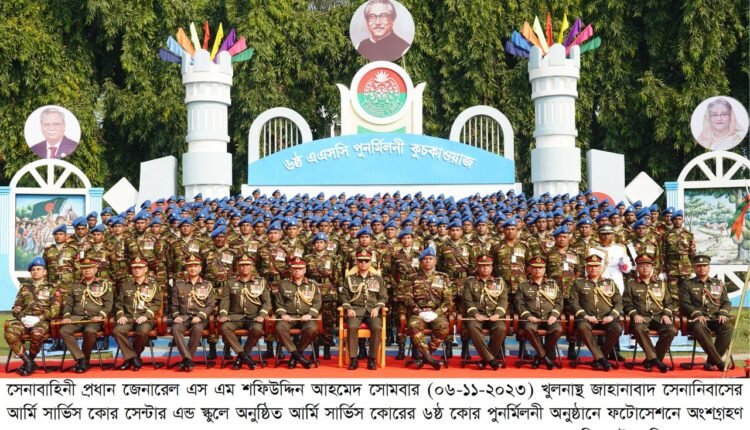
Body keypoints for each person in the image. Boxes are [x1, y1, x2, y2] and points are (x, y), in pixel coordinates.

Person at [5, 257, 61, 376]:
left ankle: (29, 361)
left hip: (42, 321)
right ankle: (29, 362)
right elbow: (16, 307)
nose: (35, 271)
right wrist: (22, 317)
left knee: (36, 333)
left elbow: (55, 310)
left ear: (44, 272)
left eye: (38, 269)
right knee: (10, 332)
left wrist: (39, 318)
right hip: (25, 321)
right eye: (33, 270)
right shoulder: (24, 288)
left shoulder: (52, 288)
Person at [678, 255, 734, 371]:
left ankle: (710, 362)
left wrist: (723, 313)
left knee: (728, 327)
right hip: (697, 320)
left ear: (709, 268)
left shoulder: (718, 283)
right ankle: (719, 362)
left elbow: (726, 302)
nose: (702, 268)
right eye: (699, 266)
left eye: (704, 265)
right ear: (694, 268)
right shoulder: (687, 284)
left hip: (715, 318)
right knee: (699, 327)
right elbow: (684, 304)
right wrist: (697, 314)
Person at [59, 257, 114, 373]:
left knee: (90, 331)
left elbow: (108, 304)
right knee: (64, 331)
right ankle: (82, 359)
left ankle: (84, 360)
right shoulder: (75, 285)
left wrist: (101, 315)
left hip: (95, 319)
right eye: (84, 268)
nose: (87, 270)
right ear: (81, 270)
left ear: (95, 269)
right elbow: (68, 304)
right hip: (76, 318)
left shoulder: (104, 285)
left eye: (90, 268)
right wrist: (66, 317)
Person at [569, 254, 623, 371]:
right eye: (591, 266)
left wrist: (612, 316)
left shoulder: (610, 283)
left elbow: (619, 303)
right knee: (582, 327)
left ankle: (599, 358)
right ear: (586, 268)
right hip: (587, 319)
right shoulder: (578, 283)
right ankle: (603, 360)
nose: (594, 268)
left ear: (601, 267)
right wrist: (585, 316)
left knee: (617, 328)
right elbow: (573, 303)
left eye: (596, 266)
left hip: (607, 319)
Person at [622, 255, 676, 373]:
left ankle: (651, 360)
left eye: (647, 265)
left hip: (659, 317)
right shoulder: (631, 284)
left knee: (671, 330)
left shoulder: (661, 284)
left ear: (652, 268)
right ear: (637, 268)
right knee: (638, 328)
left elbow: (669, 303)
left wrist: (666, 314)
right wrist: (635, 314)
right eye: (642, 266)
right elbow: (626, 303)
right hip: (641, 318)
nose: (645, 268)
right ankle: (656, 361)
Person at [218, 254, 271, 370]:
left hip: (254, 317)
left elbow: (267, 302)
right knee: (225, 328)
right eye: (242, 265)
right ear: (238, 267)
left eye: (247, 265)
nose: (244, 267)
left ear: (252, 267)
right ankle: (244, 356)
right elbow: (225, 300)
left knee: (257, 329)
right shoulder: (231, 282)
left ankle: (241, 357)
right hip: (235, 317)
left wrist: (262, 315)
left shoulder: (260, 282)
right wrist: (223, 314)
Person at [341, 249, 388, 370]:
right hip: (355, 310)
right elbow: (344, 296)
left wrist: (378, 307)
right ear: (357, 262)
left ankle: (372, 359)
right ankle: (353, 359)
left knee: (376, 327)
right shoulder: (349, 278)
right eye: (360, 261)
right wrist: (348, 308)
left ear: (370, 262)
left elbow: (383, 296)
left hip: (372, 311)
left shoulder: (377, 279)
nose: (363, 263)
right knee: (351, 327)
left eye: (366, 261)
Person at [406, 247, 452, 370]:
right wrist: (419, 312)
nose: (427, 261)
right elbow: (409, 299)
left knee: (443, 328)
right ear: (421, 262)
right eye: (425, 259)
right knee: (413, 326)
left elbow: (448, 300)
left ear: (435, 261)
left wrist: (436, 313)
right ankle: (430, 359)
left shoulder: (443, 277)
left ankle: (425, 357)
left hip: (436, 313)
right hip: (419, 313)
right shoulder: (413, 277)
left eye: (430, 258)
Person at [113, 257, 162, 371]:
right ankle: (134, 358)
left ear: (145, 269)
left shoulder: (154, 285)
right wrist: (121, 315)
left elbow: (157, 303)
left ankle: (130, 359)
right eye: (134, 268)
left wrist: (146, 315)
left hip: (145, 319)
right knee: (117, 331)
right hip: (128, 318)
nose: (137, 270)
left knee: (143, 331)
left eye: (140, 267)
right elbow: (119, 303)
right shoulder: (125, 285)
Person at [515, 255, 563, 370]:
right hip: (532, 318)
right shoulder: (523, 286)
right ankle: (545, 357)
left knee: (558, 329)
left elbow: (559, 302)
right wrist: (528, 315)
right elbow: (519, 304)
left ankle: (539, 357)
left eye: (540, 267)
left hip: (549, 318)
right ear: (530, 269)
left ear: (544, 269)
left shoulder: (553, 284)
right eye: (535, 267)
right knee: (529, 328)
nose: (537, 270)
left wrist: (554, 315)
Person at [462, 254, 508, 370]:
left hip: (494, 315)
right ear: (477, 267)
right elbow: (467, 301)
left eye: (488, 266)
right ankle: (491, 360)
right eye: (482, 266)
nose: (485, 268)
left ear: (492, 267)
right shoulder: (470, 282)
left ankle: (485, 360)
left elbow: (503, 301)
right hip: (477, 315)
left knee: (501, 328)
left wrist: (497, 314)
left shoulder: (500, 282)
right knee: (472, 327)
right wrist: (476, 314)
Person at [170, 255, 216, 372]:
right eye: (190, 266)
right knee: (175, 328)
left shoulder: (207, 285)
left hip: (200, 319)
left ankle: (186, 359)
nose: (193, 268)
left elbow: (211, 305)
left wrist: (200, 316)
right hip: (183, 318)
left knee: (197, 328)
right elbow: (174, 305)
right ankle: (188, 359)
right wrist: (176, 316)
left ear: (200, 268)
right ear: (186, 268)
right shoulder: (179, 284)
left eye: (195, 266)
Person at [274, 257, 321, 369]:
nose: (297, 271)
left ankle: (295, 356)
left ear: (304, 270)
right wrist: (283, 314)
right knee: (280, 327)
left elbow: (317, 303)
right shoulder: (283, 284)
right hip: (289, 316)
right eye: (295, 268)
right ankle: (297, 356)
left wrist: (310, 314)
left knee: (312, 329)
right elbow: (279, 302)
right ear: (291, 270)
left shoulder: (313, 285)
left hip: (307, 316)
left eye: (300, 269)